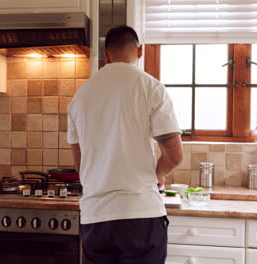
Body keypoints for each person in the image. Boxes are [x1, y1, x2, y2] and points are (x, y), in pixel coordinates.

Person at [67, 25, 183, 264]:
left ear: (106, 56)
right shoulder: (152, 88)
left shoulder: (80, 96)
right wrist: (158, 175)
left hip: (95, 217)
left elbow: (80, 166)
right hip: (140, 215)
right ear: (140, 52)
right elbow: (174, 156)